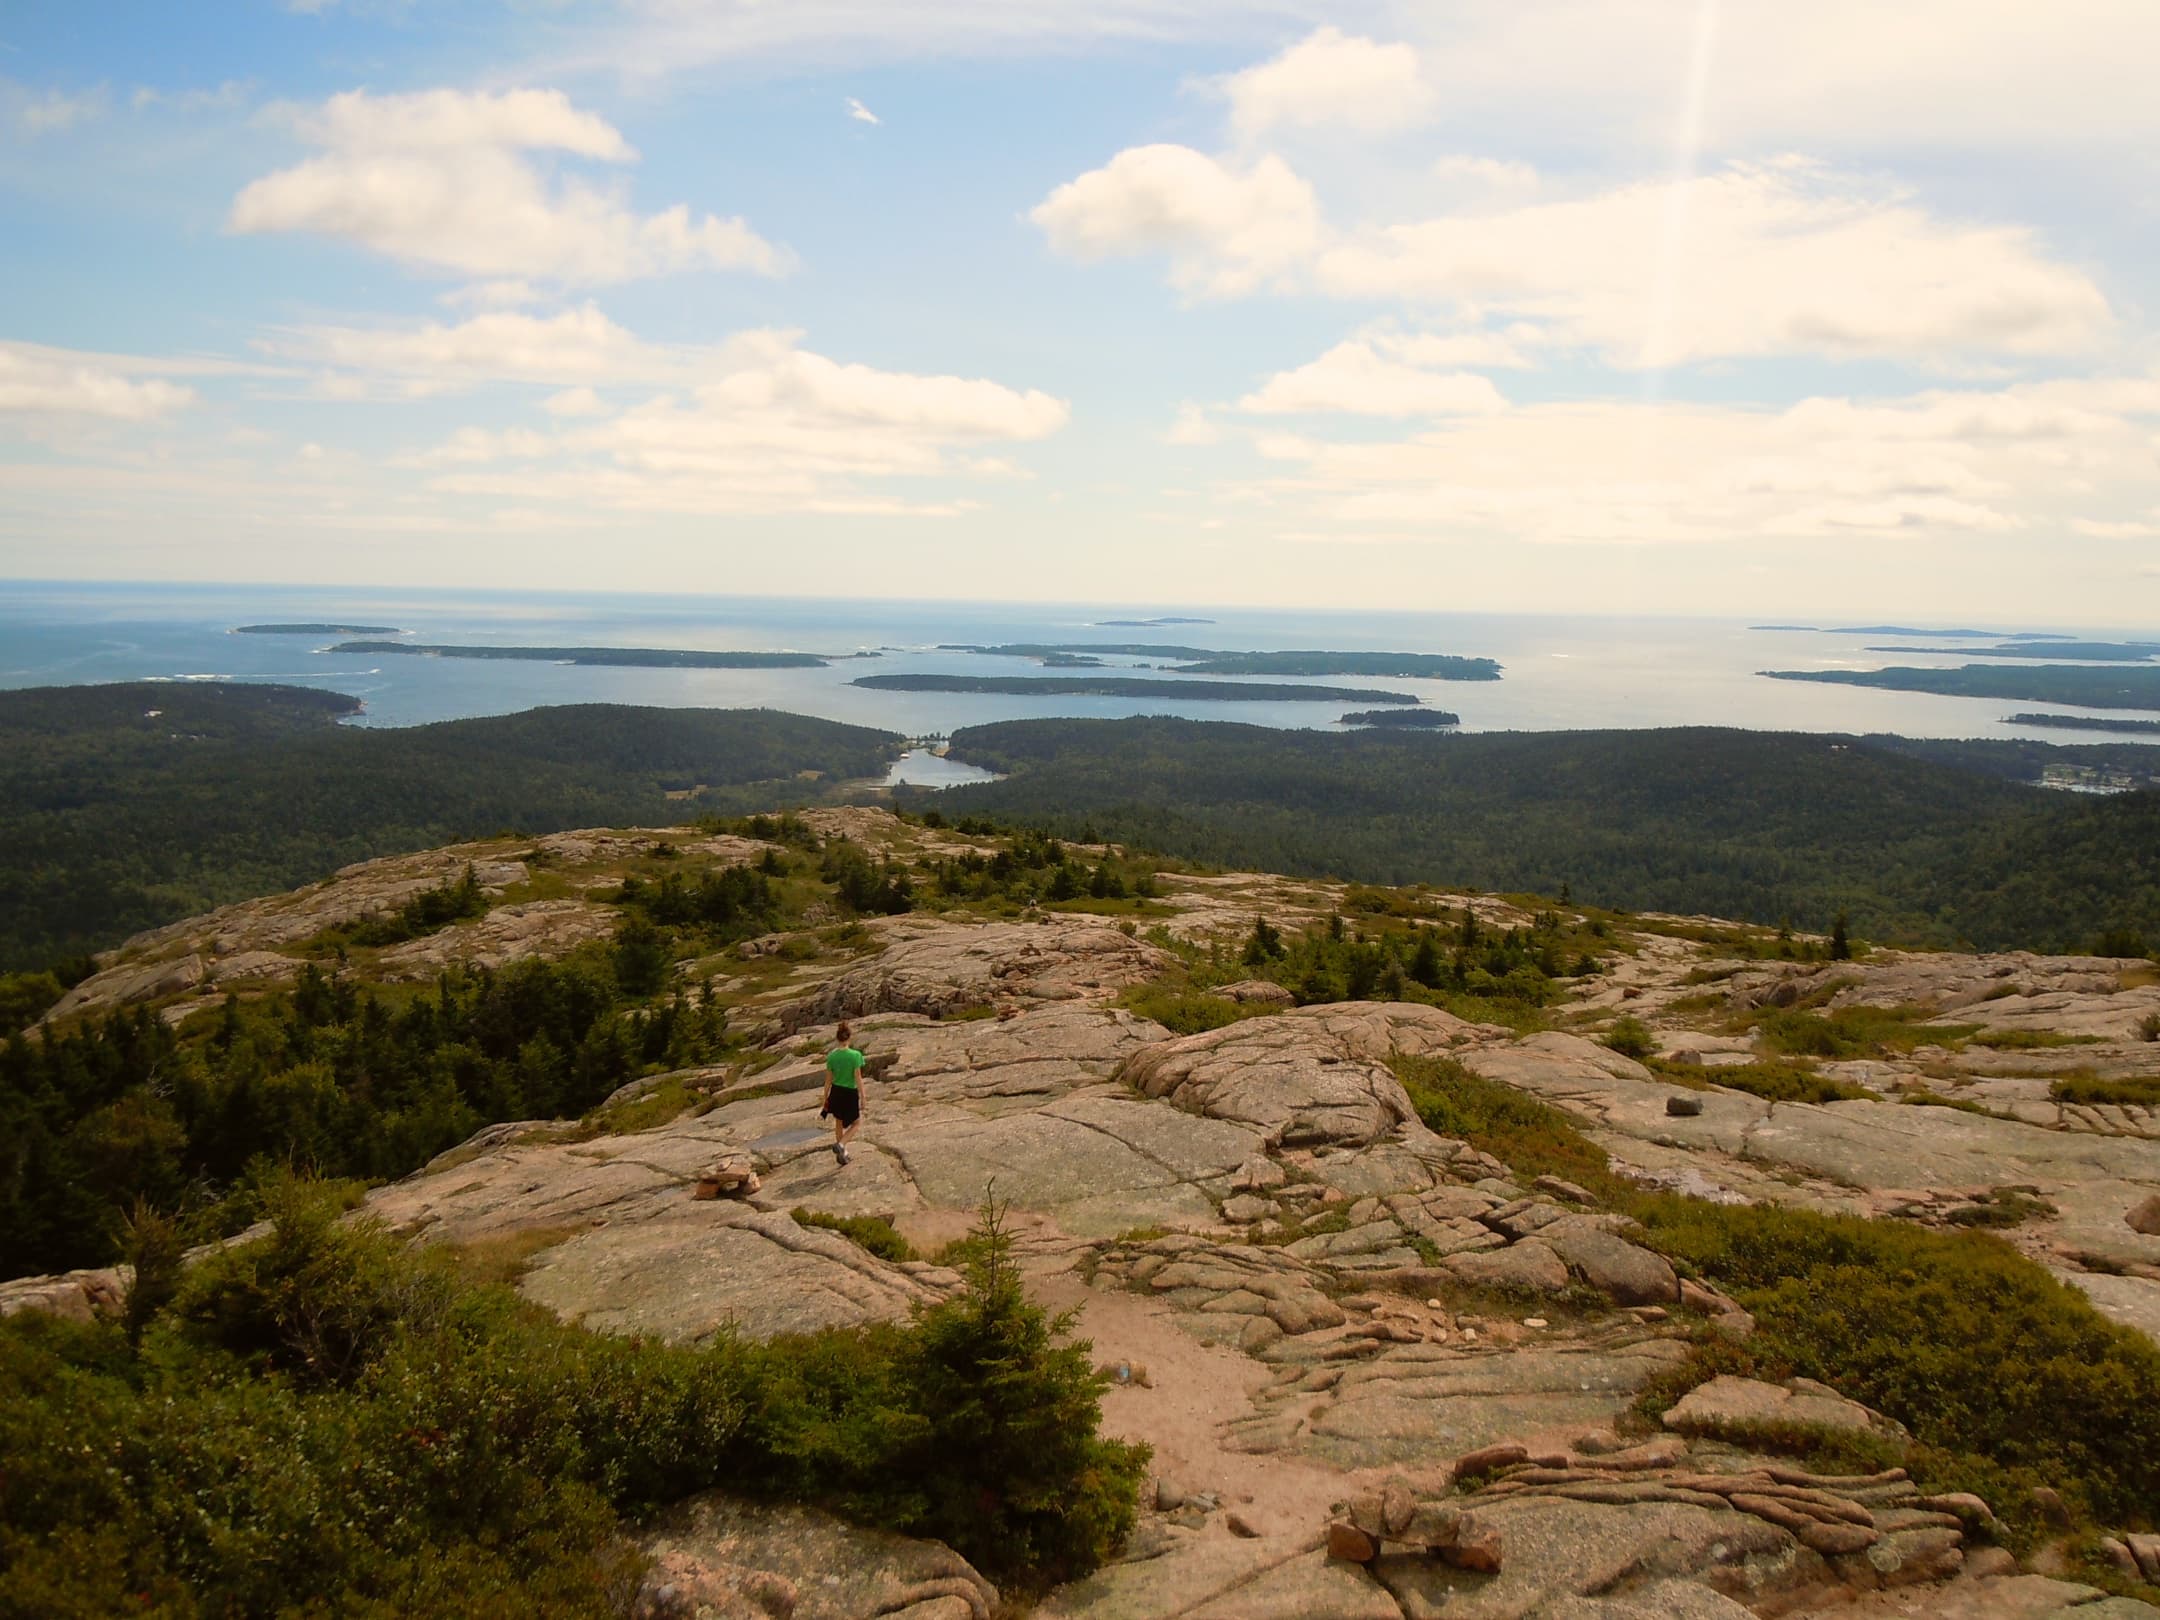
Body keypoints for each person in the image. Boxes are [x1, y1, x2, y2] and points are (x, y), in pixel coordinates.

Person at [821, 1023, 866, 1165]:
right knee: (856, 1123)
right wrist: (863, 1097)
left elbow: (828, 1080)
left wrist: (825, 1097)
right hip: (850, 1092)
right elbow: (858, 1078)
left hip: (836, 1091)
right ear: (849, 1038)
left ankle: (843, 1153)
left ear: (837, 1038)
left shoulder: (831, 1056)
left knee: (839, 1122)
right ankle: (841, 1145)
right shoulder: (855, 1055)